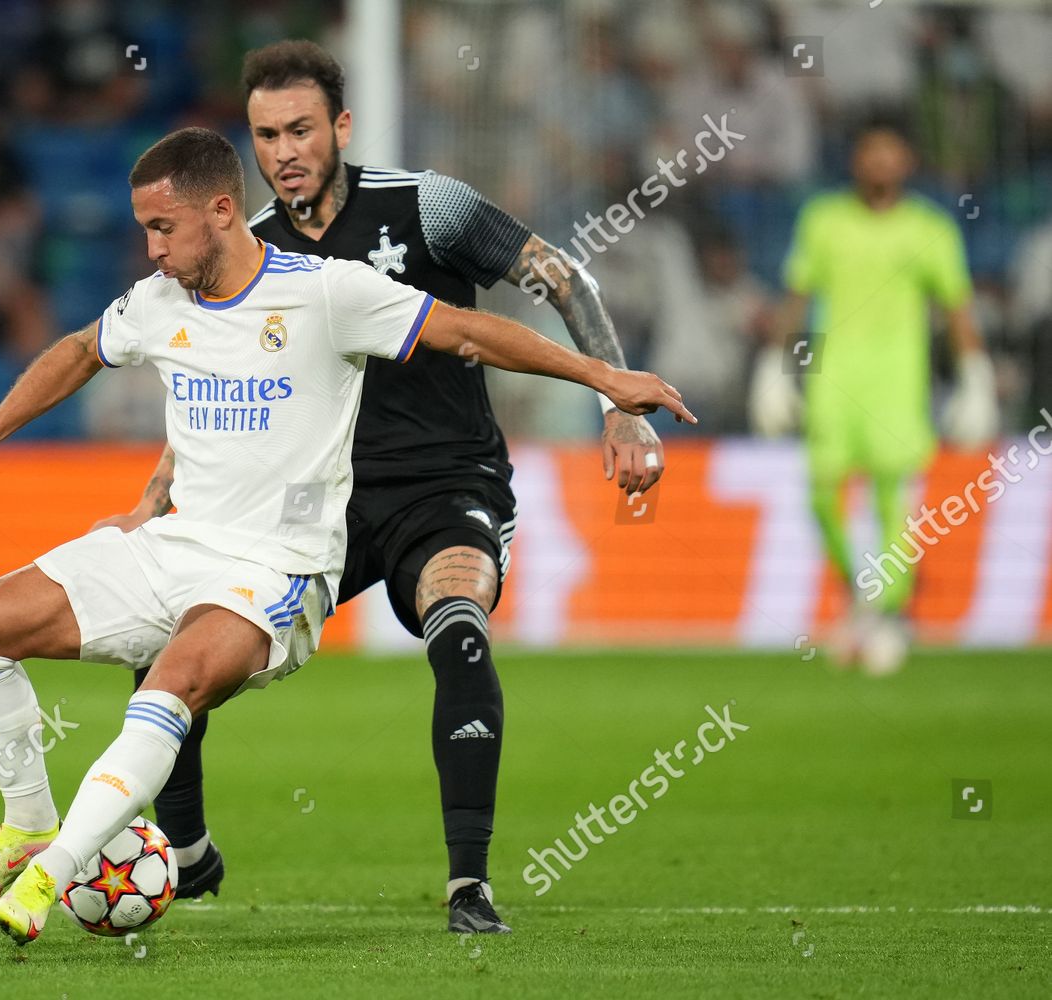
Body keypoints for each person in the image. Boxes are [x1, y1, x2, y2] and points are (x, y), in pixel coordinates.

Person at [0, 126, 694, 944]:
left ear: (221, 212)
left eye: (162, 228)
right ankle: (32, 823)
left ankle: (55, 872)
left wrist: (607, 381)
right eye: (144, 229)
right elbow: (80, 351)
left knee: (170, 687)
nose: (149, 249)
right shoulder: (158, 304)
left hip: (273, 568)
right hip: (176, 545)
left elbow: (469, 333)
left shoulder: (328, 292)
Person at [98, 40, 667, 934]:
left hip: (447, 487)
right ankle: (189, 847)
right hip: (318, 503)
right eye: (265, 135)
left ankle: (468, 886)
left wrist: (619, 402)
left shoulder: (426, 205)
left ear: (342, 127)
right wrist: (157, 493)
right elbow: (204, 382)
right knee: (164, 637)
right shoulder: (252, 254)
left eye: (300, 129)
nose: (283, 151)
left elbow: (562, 275)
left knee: (459, 630)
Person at [750, 120, 995, 674]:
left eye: (891, 151)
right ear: (856, 159)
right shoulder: (824, 220)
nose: (881, 161)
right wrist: (774, 367)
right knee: (820, 497)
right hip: (832, 383)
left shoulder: (929, 228)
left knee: (895, 508)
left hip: (898, 388)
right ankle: (860, 594)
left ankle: (886, 616)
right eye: (871, 151)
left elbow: (957, 308)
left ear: (906, 160)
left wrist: (974, 375)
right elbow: (797, 298)